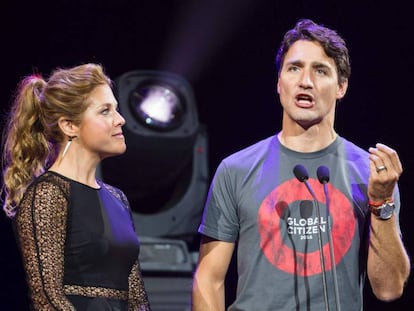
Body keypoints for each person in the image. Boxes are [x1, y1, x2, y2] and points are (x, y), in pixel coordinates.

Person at [191, 19, 410, 311]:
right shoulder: (235, 169)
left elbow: (389, 289)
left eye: (320, 71)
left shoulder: (371, 174)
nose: (305, 81)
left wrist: (382, 202)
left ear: (342, 87)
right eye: (294, 68)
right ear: (279, 83)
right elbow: (209, 279)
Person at [1, 63, 151, 310]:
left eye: (116, 109)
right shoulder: (49, 194)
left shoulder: (118, 198)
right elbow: (47, 298)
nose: (121, 119)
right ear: (69, 126)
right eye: (105, 111)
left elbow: (136, 296)